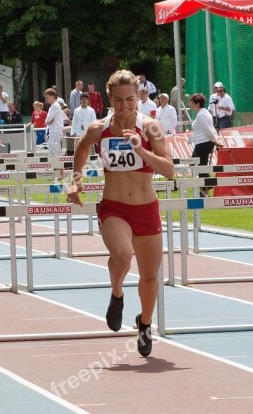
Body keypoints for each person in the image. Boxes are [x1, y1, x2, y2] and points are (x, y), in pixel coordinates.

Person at [67, 70, 174, 357]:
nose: (124, 105)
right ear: (109, 99)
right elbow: (81, 148)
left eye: (129, 99)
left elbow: (169, 170)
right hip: (114, 206)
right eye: (118, 100)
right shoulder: (98, 128)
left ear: (138, 97)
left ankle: (145, 324)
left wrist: (142, 150)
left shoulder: (150, 127)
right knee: (124, 255)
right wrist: (73, 183)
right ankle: (117, 294)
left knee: (150, 276)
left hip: (146, 207)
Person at [189, 93, 223, 197]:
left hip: (203, 143)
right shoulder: (204, 113)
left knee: (200, 167)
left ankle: (205, 190)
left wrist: (215, 141)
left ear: (198, 104)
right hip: (203, 142)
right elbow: (209, 129)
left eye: (192, 102)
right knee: (197, 166)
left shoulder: (201, 115)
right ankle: (205, 189)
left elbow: (208, 130)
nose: (190, 104)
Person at [44, 89, 68, 179]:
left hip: (55, 132)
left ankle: (58, 174)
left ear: (53, 96)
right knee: (57, 153)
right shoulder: (55, 106)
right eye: (46, 97)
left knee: (55, 153)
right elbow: (48, 121)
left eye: (48, 97)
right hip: (55, 132)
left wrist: (48, 122)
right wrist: (48, 122)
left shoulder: (54, 106)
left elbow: (47, 120)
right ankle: (60, 174)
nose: (47, 99)